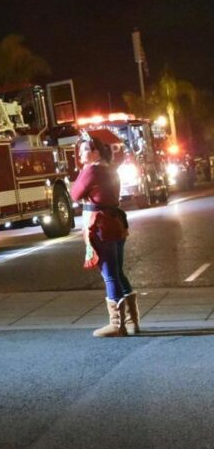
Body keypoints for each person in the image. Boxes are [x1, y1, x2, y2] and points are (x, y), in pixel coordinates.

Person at [71, 135, 134, 337]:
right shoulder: (109, 169)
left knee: (109, 275)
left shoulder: (92, 171)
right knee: (118, 272)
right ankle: (132, 320)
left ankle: (117, 324)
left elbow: (75, 194)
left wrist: (83, 171)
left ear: (95, 152)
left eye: (84, 150)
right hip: (116, 223)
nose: (80, 154)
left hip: (101, 226)